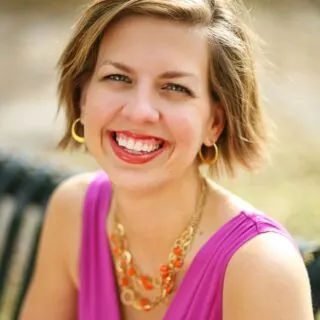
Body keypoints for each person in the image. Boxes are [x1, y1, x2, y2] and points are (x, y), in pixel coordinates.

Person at [20, 0, 314, 319]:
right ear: (83, 96)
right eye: (118, 78)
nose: (139, 111)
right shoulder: (74, 211)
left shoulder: (260, 267)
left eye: (175, 87)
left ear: (215, 122)